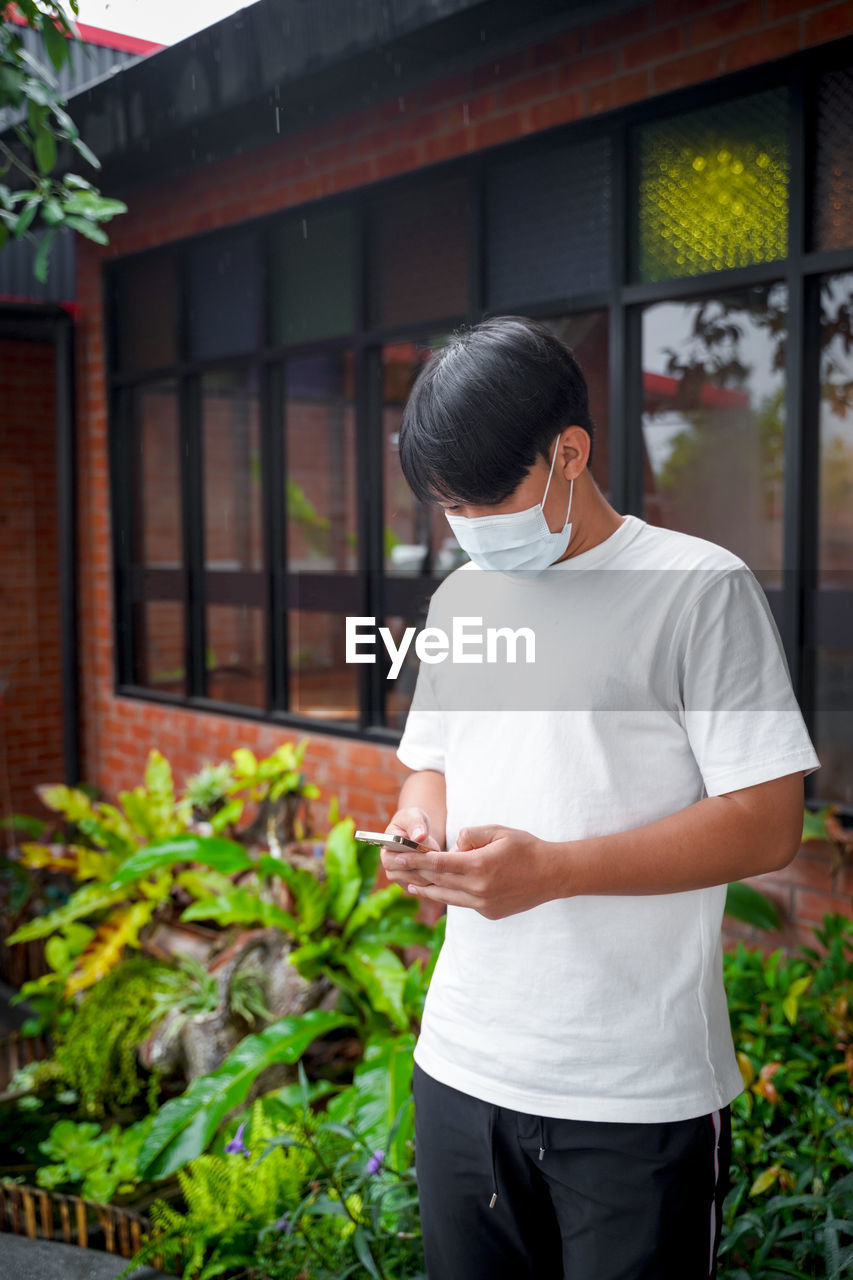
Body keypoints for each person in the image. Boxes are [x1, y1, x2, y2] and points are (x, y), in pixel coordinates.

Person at [378, 316, 821, 1280]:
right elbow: (433, 762)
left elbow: (768, 821)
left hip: (634, 1094)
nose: (466, 524)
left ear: (569, 452)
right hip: (461, 1063)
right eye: (448, 504)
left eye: (485, 497)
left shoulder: (698, 589)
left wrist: (555, 872)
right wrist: (421, 823)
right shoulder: (462, 601)